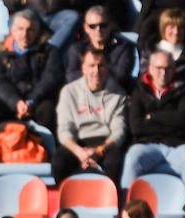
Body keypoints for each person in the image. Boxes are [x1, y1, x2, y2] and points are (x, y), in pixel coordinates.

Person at [122, 50, 185, 196]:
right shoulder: (139, 92)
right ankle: (127, 206)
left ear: (174, 70)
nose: (163, 73)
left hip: (178, 146)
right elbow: (136, 127)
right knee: (132, 158)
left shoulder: (184, 91)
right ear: (151, 69)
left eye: (168, 68)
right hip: (147, 146)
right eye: (159, 68)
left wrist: (152, 116)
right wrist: (172, 121)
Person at [0, 9, 66, 138]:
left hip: (38, 103)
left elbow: (51, 79)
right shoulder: (1, 55)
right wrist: (16, 103)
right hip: (12, 105)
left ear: (37, 32)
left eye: (30, 29)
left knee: (48, 109)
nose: (25, 34)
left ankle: (44, 149)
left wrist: (31, 101)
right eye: (20, 29)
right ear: (13, 31)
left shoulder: (50, 52)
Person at [53, 47, 128, 185]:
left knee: (115, 161)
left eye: (101, 66)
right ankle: (65, 202)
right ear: (83, 68)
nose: (96, 71)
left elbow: (119, 131)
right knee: (59, 162)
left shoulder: (118, 94)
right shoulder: (69, 92)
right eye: (91, 66)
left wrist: (99, 151)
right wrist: (80, 152)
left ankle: (111, 203)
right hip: (78, 141)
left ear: (108, 67)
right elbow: (64, 130)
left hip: (105, 142)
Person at [65, 5, 138, 94]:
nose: (98, 30)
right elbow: (71, 76)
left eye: (103, 25)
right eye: (92, 26)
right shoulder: (77, 48)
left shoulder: (123, 47)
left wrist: (90, 74)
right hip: (83, 95)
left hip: (113, 95)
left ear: (110, 25)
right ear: (86, 28)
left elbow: (121, 76)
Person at [0, 0, 85, 49]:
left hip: (59, 15)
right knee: (22, 21)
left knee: (73, 17)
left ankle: (51, 51)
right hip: (32, 13)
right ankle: (22, 57)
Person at [139, 8, 185, 85]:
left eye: (180, 28)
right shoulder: (149, 50)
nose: (176, 32)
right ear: (163, 29)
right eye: (171, 27)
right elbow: (143, 76)